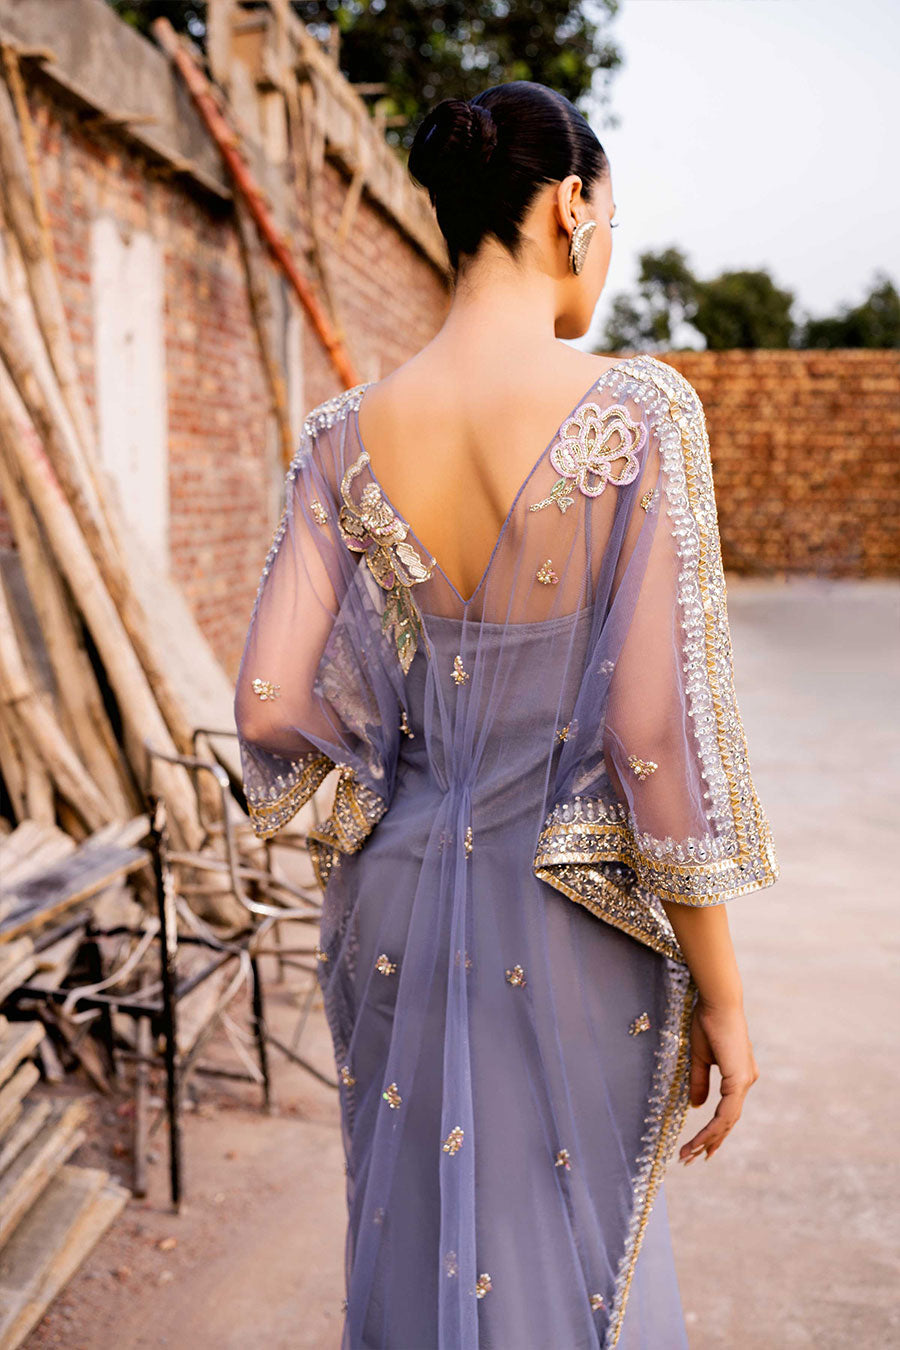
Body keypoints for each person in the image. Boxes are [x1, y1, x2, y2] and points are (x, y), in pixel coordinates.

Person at [233, 81, 779, 1350]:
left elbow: (271, 702)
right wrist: (727, 996)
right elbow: (653, 736)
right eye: (614, 215)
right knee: (568, 1254)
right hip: (570, 900)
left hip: (393, 896)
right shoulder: (635, 414)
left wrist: (397, 795)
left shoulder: (338, 438)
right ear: (571, 204)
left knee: (418, 1227)